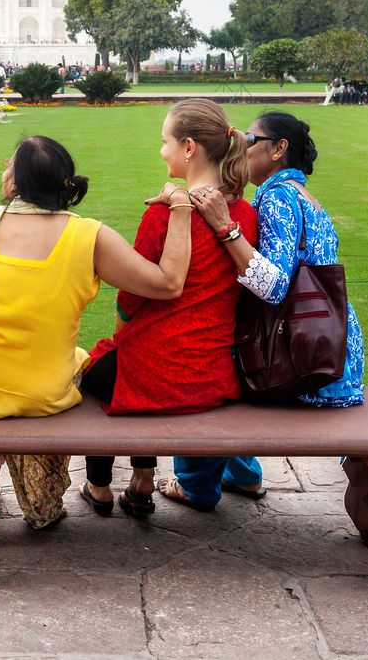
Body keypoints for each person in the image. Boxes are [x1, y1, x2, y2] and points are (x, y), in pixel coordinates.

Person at [0, 136, 194, 529]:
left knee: (77, 359)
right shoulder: (89, 236)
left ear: (14, 182)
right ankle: (105, 483)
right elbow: (167, 283)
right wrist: (181, 206)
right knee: (86, 359)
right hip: (42, 392)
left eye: (7, 166)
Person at [175, 111, 367, 509]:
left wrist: (224, 226)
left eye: (251, 140)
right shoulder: (301, 194)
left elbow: (275, 286)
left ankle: (195, 485)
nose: (242, 148)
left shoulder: (278, 196)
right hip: (331, 354)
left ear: (279, 149)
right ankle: (241, 474)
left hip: (305, 365)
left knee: (203, 372)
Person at [80, 100, 262, 516]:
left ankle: (102, 484)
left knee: (91, 371)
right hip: (214, 377)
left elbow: (130, 297)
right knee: (113, 363)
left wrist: (121, 330)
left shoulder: (163, 216)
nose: (161, 150)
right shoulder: (243, 217)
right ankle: (140, 480)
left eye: (165, 142)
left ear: (189, 148)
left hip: (156, 374)